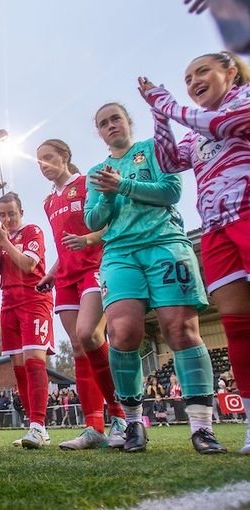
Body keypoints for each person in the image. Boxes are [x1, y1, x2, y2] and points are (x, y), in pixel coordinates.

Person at [85, 102, 225, 453]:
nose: (111, 125)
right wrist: (106, 195)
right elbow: (92, 221)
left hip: (165, 243)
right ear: (99, 133)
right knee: (122, 332)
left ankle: (202, 427)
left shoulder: (153, 149)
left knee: (180, 330)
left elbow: (171, 192)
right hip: (120, 253)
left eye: (115, 118)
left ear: (128, 121)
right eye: (103, 123)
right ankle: (133, 423)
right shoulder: (97, 171)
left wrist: (124, 186)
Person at [139, 51, 250, 454]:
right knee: (238, 326)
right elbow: (169, 160)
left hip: (248, 214)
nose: (193, 81)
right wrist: (158, 115)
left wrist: (168, 102)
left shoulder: (243, 101)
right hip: (217, 228)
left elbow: (226, 125)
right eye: (187, 78)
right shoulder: (195, 132)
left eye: (202, 71)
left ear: (231, 72)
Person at [36, 139, 128, 451]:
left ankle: (122, 416)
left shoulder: (86, 182)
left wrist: (88, 240)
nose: (44, 165)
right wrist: (51, 272)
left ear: (65, 156)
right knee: (78, 347)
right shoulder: (48, 202)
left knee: (89, 334)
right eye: (39, 161)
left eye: (49, 158)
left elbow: (111, 224)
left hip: (94, 268)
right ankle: (94, 427)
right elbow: (65, 246)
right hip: (66, 276)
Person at [0, 192, 54, 449]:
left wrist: (4, 241)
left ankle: (38, 425)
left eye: (11, 213)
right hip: (9, 302)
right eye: (2, 215)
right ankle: (37, 428)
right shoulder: (1, 239)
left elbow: (27, 264)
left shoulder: (32, 231)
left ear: (21, 212)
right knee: (19, 368)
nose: (7, 219)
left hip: (34, 300)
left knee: (34, 362)